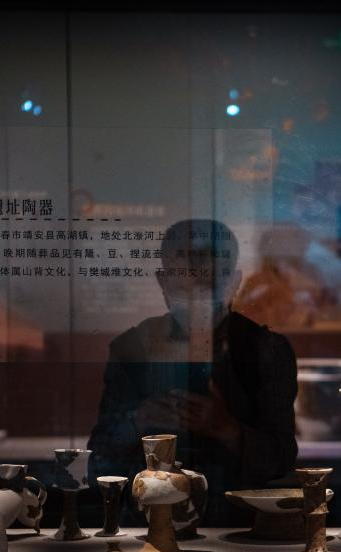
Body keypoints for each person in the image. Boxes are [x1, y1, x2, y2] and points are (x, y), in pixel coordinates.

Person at [86, 219, 299, 525]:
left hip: (238, 522)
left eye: (208, 286)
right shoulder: (132, 348)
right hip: (149, 518)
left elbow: (281, 459)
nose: (198, 298)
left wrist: (227, 429)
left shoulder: (266, 350)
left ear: (234, 282)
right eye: (186, 283)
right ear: (163, 281)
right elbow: (99, 458)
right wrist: (140, 420)